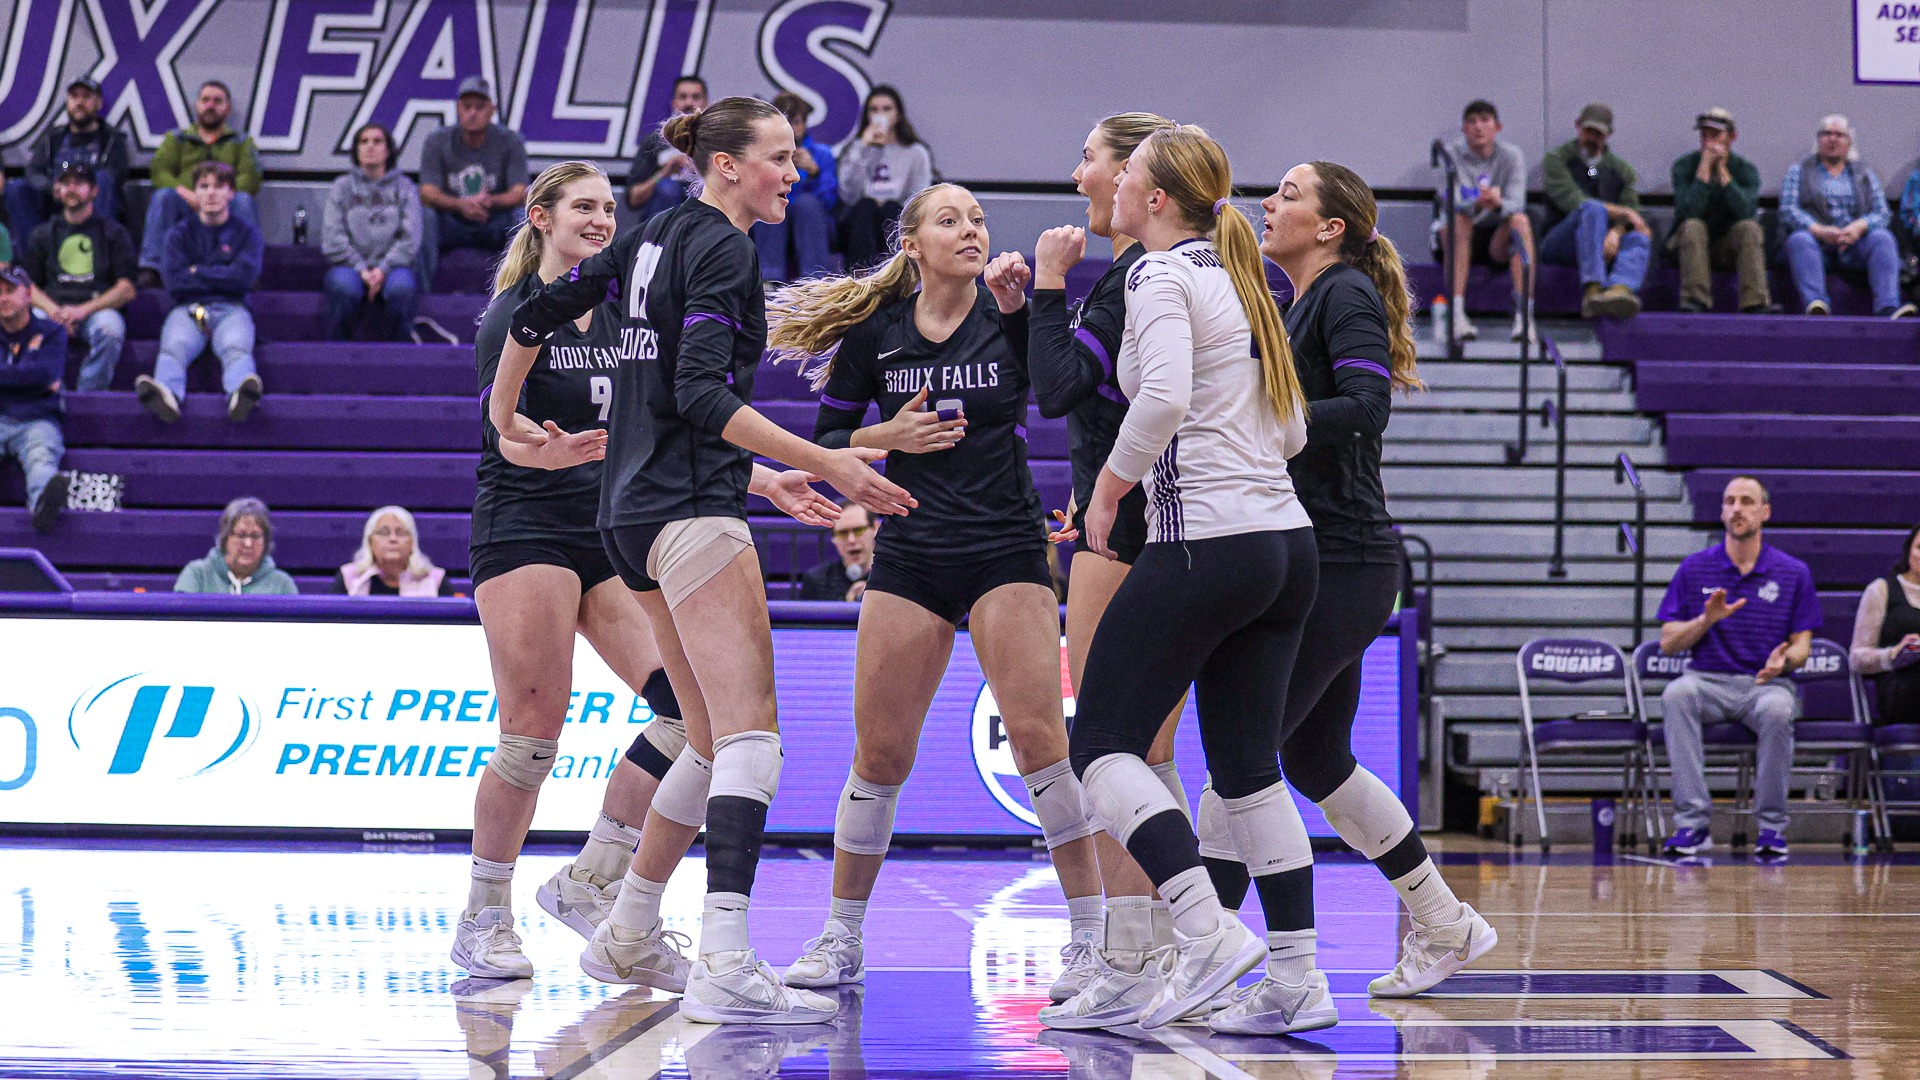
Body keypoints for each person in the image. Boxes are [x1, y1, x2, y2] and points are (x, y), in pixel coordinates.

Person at [490, 96, 912, 1024]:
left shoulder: (649, 237)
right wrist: (826, 459)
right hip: (687, 513)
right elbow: (695, 393)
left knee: (708, 736)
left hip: (626, 521)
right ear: (726, 165)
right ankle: (725, 955)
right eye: (779, 157)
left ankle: (631, 924)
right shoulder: (719, 246)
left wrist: (504, 412)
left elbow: (537, 309)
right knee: (753, 738)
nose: (794, 173)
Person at [767, 182, 1104, 1003]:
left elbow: (1060, 391)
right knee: (879, 755)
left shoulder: (1008, 311)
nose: (971, 230)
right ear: (912, 244)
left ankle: (1093, 941)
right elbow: (825, 444)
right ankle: (841, 937)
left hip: (1004, 546)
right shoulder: (877, 334)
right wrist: (889, 436)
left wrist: (1031, 307)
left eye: (979, 219)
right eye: (950, 219)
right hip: (912, 549)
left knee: (1039, 746)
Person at [1204, 160, 1495, 1026]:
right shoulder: (1302, 302)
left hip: (1347, 561)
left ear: (1332, 227)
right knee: (1314, 759)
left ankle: (1213, 950)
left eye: (1289, 194)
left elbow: (1366, 407)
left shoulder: (1344, 297)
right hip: (1323, 560)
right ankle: (1445, 922)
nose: (1270, 202)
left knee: (1242, 754)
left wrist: (1268, 426)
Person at [1065, 123, 1315, 1031]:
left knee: (1098, 746)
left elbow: (1164, 398)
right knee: (1248, 772)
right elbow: (1289, 431)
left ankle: (1204, 933)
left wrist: (1107, 488)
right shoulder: (1245, 278)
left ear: (1156, 199)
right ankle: (1298, 979)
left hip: (1205, 538)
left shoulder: (1158, 274)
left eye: (1126, 172)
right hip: (1288, 545)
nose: (1117, 184)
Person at [454, 161, 696, 981]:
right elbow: (500, 426)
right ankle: (485, 915)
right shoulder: (515, 315)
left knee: (685, 713)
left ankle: (591, 878)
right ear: (542, 219)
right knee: (530, 737)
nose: (599, 220)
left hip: (606, 529)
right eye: (581, 208)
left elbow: (670, 421)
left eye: (606, 209)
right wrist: (539, 447)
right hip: (524, 527)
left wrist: (766, 475)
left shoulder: (626, 320)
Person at [1025, 112, 1195, 1027]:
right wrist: (1032, 309)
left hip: (1126, 522)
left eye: (1090, 155)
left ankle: (1140, 949)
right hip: (1167, 522)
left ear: (1134, 174)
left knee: (1110, 747)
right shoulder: (1162, 272)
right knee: (1148, 752)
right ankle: (1152, 945)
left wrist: (1049, 284)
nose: (1078, 169)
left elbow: (1057, 393)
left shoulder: (1134, 275)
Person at [1656, 476, 1821, 859]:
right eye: (1729, 501)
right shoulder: (1695, 568)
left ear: (1764, 512)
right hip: (1706, 682)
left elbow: (1803, 646)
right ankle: (1693, 825)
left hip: (1763, 685)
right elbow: (1667, 641)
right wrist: (1706, 620)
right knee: (1676, 694)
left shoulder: (1793, 572)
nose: (1736, 509)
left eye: (1746, 501)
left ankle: (1771, 828)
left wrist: (1785, 661)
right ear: (1721, 512)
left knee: (1780, 710)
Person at [135, 162, 264, 425]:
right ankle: (167, 394)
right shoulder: (178, 234)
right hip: (187, 308)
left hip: (232, 307)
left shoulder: (247, 233)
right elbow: (174, 282)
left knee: (236, 348)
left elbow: (245, 279)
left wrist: (197, 271)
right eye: (204, 187)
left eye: (219, 186)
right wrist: (221, 272)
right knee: (173, 350)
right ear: (195, 193)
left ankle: (240, 393)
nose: (211, 193)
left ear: (231, 193)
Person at [1779, 115, 1914, 318]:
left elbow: (1882, 212)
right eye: (1827, 134)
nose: (1833, 139)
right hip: (1816, 244)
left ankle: (1888, 307)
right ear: (1818, 140)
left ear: (1849, 142)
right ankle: (1816, 304)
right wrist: (1820, 231)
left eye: (1839, 135)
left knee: (1882, 238)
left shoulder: (1864, 174)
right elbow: (1788, 209)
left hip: (1853, 244)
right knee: (1799, 239)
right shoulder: (1798, 171)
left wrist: (1859, 227)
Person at [21, 161, 136, 390]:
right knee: (32, 323)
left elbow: (127, 289)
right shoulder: (42, 234)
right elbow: (27, 286)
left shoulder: (114, 233)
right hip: (54, 309)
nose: (71, 188)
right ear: (56, 191)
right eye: (65, 183)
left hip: (96, 311)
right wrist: (55, 312)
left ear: (95, 190)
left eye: (79, 183)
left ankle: (87, 395)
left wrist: (81, 311)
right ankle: (53, 394)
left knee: (111, 329)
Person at [138, 81, 263, 280]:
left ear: (228, 108)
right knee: (163, 197)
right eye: (205, 100)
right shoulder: (177, 139)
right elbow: (160, 171)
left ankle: (249, 269)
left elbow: (251, 178)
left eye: (217, 101)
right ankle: (152, 267)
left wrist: (219, 196)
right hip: (187, 203)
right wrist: (187, 194)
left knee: (244, 200)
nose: (211, 105)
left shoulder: (241, 142)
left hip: (225, 205)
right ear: (196, 105)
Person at [1433, 100, 1533, 343]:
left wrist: (1498, 203)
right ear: (1464, 129)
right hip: (1458, 235)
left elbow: (1517, 201)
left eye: (1485, 120)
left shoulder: (1512, 156)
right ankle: (1456, 316)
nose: (1478, 127)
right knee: (1459, 220)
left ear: (1497, 127)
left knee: (1520, 221)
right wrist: (1477, 201)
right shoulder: (1448, 155)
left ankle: (1525, 317)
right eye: (1471, 121)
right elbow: (1447, 199)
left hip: (1495, 237)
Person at [1540, 104, 1650, 320]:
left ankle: (1619, 290)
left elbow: (1634, 216)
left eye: (1598, 133)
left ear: (1608, 135)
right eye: (1588, 131)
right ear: (1578, 126)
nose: (1592, 137)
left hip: (1606, 244)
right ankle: (1593, 287)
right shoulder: (1557, 159)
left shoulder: (1622, 170)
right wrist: (1624, 214)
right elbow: (1574, 202)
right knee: (1592, 209)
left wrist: (1617, 232)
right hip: (1561, 241)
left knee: (1640, 237)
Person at [418, 77, 530, 288]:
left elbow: (519, 192)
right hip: (452, 221)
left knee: (522, 217)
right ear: (458, 109)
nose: (472, 113)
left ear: (492, 110)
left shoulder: (511, 141)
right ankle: (424, 293)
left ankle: (518, 293)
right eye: (467, 107)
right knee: (426, 216)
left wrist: (488, 201)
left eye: (479, 107)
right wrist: (462, 204)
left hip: (493, 218)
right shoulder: (437, 140)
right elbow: (427, 192)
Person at [321, 123, 423, 342]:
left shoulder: (405, 187)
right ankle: (337, 352)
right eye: (363, 141)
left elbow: (410, 238)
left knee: (401, 288)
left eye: (377, 141)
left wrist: (382, 270)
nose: (370, 146)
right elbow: (332, 237)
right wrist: (361, 270)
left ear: (388, 150)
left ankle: (399, 355)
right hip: (349, 268)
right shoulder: (342, 187)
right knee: (343, 288)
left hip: (394, 268)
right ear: (356, 150)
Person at [1669, 108, 1771, 314]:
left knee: (1750, 228)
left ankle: (1755, 301)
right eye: (1704, 136)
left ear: (1732, 137)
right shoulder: (1684, 166)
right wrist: (1703, 172)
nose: (1709, 143)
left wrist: (1724, 173)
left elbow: (1745, 211)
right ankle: (1695, 300)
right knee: (1693, 226)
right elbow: (1688, 211)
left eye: (1715, 136)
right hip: (1687, 244)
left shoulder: (1745, 169)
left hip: (1726, 247)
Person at [8, 76, 131, 240]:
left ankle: (98, 251)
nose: (79, 103)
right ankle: (33, 258)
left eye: (86, 97)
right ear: (67, 102)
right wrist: (53, 187)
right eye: (74, 97)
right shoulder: (54, 137)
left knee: (104, 179)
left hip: (92, 205)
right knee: (17, 188)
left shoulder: (112, 139)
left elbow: (116, 174)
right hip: (56, 205)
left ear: (99, 103)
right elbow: (34, 170)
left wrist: (80, 189)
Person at [0, 266, 70, 532]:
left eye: (10, 291)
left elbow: (46, 375)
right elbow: (39, 379)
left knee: (41, 457)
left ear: (28, 294)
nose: (3, 298)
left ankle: (43, 506)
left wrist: (19, 379)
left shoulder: (52, 332)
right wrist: (29, 379)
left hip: (37, 419)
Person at [836, 86, 933, 272]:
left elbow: (919, 199)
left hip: (897, 215)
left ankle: (894, 279)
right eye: (874, 109)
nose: (880, 114)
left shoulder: (915, 152)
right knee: (866, 207)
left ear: (897, 115)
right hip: (860, 218)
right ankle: (861, 280)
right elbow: (847, 195)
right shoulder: (856, 148)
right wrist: (863, 149)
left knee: (890, 209)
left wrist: (887, 203)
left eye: (887, 109)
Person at [753, 91, 838, 283]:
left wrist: (814, 172)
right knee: (770, 202)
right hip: (773, 226)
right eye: (785, 122)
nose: (791, 128)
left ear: (805, 124)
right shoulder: (761, 155)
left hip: (812, 226)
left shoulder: (822, 154)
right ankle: (769, 281)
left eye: (796, 122)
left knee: (807, 203)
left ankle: (814, 282)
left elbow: (830, 202)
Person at [1851, 524, 1920, 725]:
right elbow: (1857, 659)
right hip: (1901, 685)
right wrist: (1893, 654)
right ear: (1908, 551)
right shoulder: (1882, 590)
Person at [173, 497, 298, 594]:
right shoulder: (197, 575)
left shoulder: (282, 585)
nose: (248, 544)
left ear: (265, 541)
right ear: (226, 537)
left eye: (255, 536)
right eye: (241, 535)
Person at [626, 76, 708, 222]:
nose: (689, 103)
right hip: (664, 209)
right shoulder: (654, 142)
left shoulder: (720, 141)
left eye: (696, 97)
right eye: (683, 97)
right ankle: (662, 244)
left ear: (706, 103)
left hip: (707, 208)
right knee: (668, 189)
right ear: (673, 103)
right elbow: (633, 199)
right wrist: (664, 173)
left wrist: (700, 168)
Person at [331, 506, 454, 596]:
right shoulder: (349, 578)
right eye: (384, 533)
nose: (393, 539)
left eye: (400, 533)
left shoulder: (435, 579)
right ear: (370, 542)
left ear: (412, 543)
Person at [798, 501, 876, 601]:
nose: (851, 540)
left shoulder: (893, 577)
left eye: (858, 530)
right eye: (843, 533)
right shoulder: (817, 580)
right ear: (834, 538)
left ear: (875, 528)